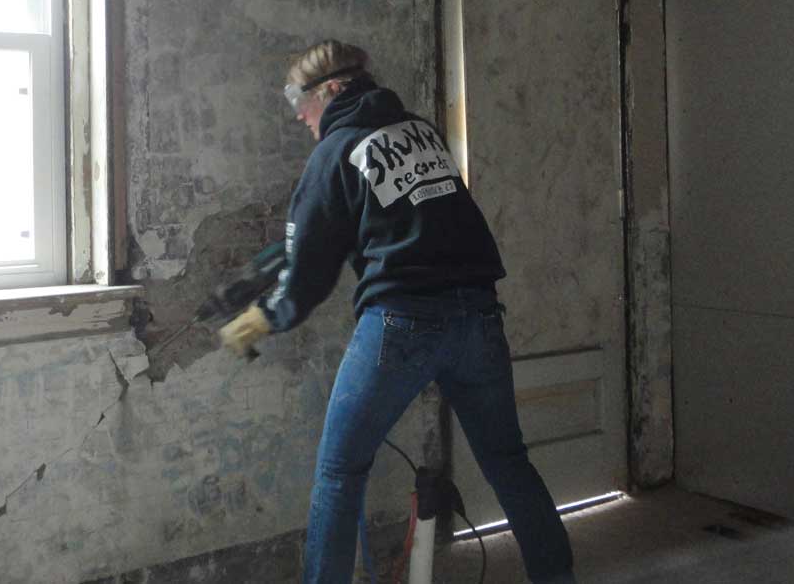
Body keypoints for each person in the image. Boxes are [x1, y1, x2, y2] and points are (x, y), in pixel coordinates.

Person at [219, 40, 576, 584]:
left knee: (340, 472)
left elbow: (309, 268)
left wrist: (266, 316)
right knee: (508, 461)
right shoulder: (420, 133)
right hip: (479, 318)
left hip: (402, 322)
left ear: (332, 90)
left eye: (300, 99)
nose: (298, 115)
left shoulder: (335, 151)